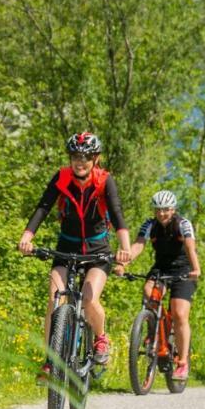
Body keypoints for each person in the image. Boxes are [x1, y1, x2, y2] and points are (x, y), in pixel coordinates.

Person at [18, 132, 131, 379]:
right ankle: (50, 361)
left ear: (96, 158)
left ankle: (100, 339)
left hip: (97, 251)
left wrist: (125, 249)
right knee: (54, 299)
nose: (80, 161)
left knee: (90, 300)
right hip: (66, 248)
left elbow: (118, 214)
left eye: (86, 157)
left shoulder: (104, 180)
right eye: (75, 156)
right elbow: (43, 207)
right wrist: (27, 236)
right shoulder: (62, 177)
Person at [121, 190, 201, 380]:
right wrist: (123, 263)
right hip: (161, 268)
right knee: (148, 292)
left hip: (183, 269)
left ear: (173, 209)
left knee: (180, 313)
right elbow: (139, 245)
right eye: (158, 210)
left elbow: (190, 246)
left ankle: (182, 363)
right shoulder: (150, 225)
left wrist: (196, 269)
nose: (162, 214)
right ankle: (154, 329)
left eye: (165, 210)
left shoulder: (183, 224)